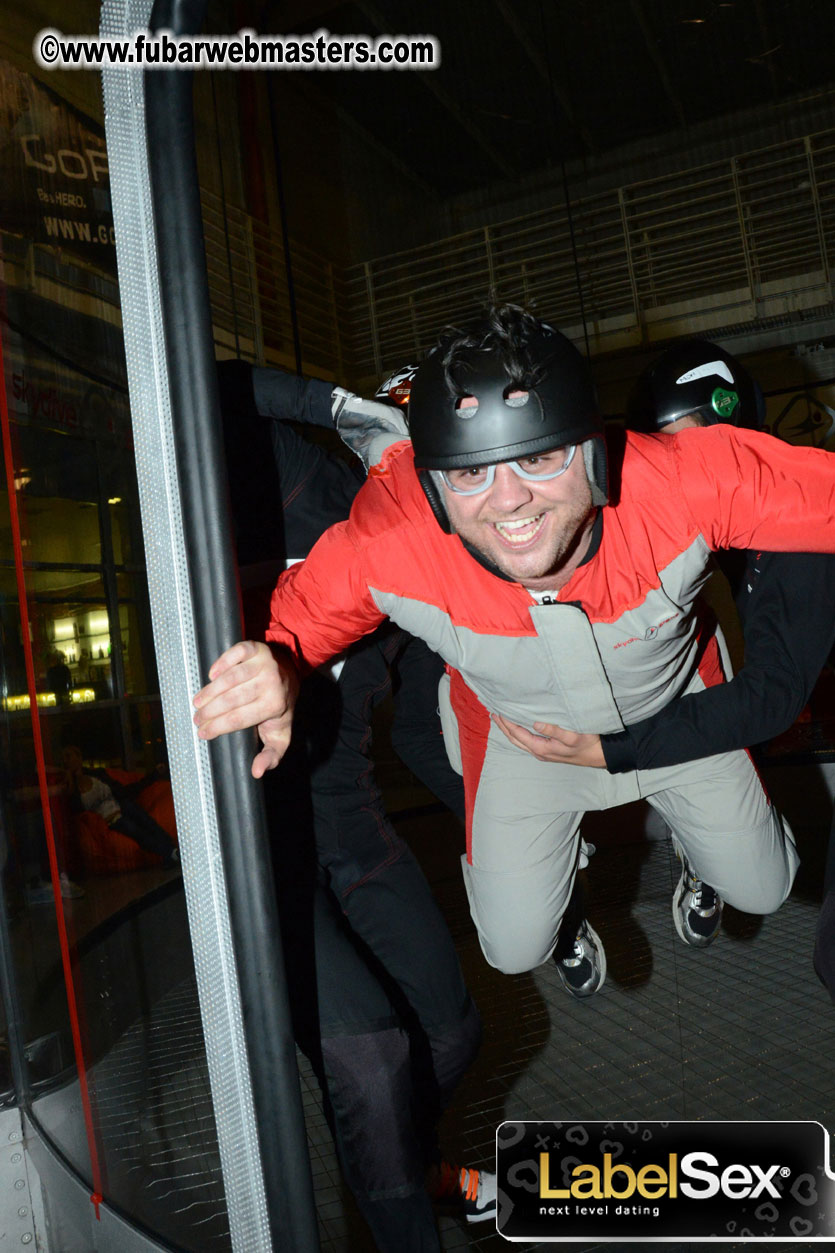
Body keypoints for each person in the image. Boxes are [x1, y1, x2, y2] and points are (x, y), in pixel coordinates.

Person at [194, 304, 835, 986]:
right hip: (524, 745)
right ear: (435, 487)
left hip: (673, 711)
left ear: (589, 449)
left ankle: (695, 845)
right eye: (470, 473)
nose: (509, 503)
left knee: (764, 887)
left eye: (538, 456)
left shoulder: (680, 480)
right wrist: (277, 665)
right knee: (511, 949)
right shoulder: (393, 536)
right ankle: (566, 902)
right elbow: (295, 622)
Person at [216, 360, 494, 1247]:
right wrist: (333, 406)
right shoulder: (309, 483)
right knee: (371, 1057)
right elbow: (207, 385)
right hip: (250, 827)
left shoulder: (435, 561)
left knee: (448, 1031)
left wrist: (501, 821)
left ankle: (397, 1172)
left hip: (349, 816)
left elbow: (417, 732)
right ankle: (399, 1197)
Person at [61, 745, 180, 868]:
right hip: (110, 819)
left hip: (123, 808)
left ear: (79, 757)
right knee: (133, 828)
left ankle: (173, 849)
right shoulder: (71, 788)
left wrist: (154, 775)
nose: (65, 761)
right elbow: (76, 809)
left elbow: (124, 791)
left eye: (68, 756)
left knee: (141, 816)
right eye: (63, 758)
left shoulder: (98, 774)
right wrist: (70, 781)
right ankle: (170, 853)